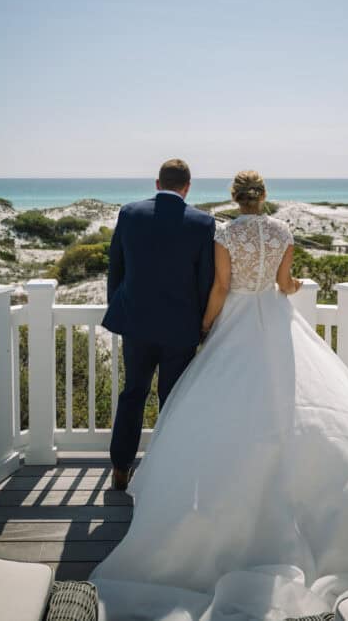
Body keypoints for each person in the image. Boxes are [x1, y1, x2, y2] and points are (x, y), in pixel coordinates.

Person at [91, 170, 348, 620]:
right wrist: (286, 288)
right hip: (273, 321)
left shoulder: (222, 231)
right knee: (290, 404)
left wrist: (207, 323)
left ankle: (147, 472)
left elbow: (216, 286)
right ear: (263, 197)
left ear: (235, 198)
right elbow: (286, 284)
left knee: (186, 402)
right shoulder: (280, 230)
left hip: (221, 321)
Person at [102, 158, 215, 490]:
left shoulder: (130, 213)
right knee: (173, 398)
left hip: (136, 323)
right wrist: (202, 324)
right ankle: (168, 470)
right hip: (180, 328)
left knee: (133, 394)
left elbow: (116, 267)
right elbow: (205, 279)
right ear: (188, 187)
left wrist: (119, 307)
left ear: (157, 183)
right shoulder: (202, 222)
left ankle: (120, 469)